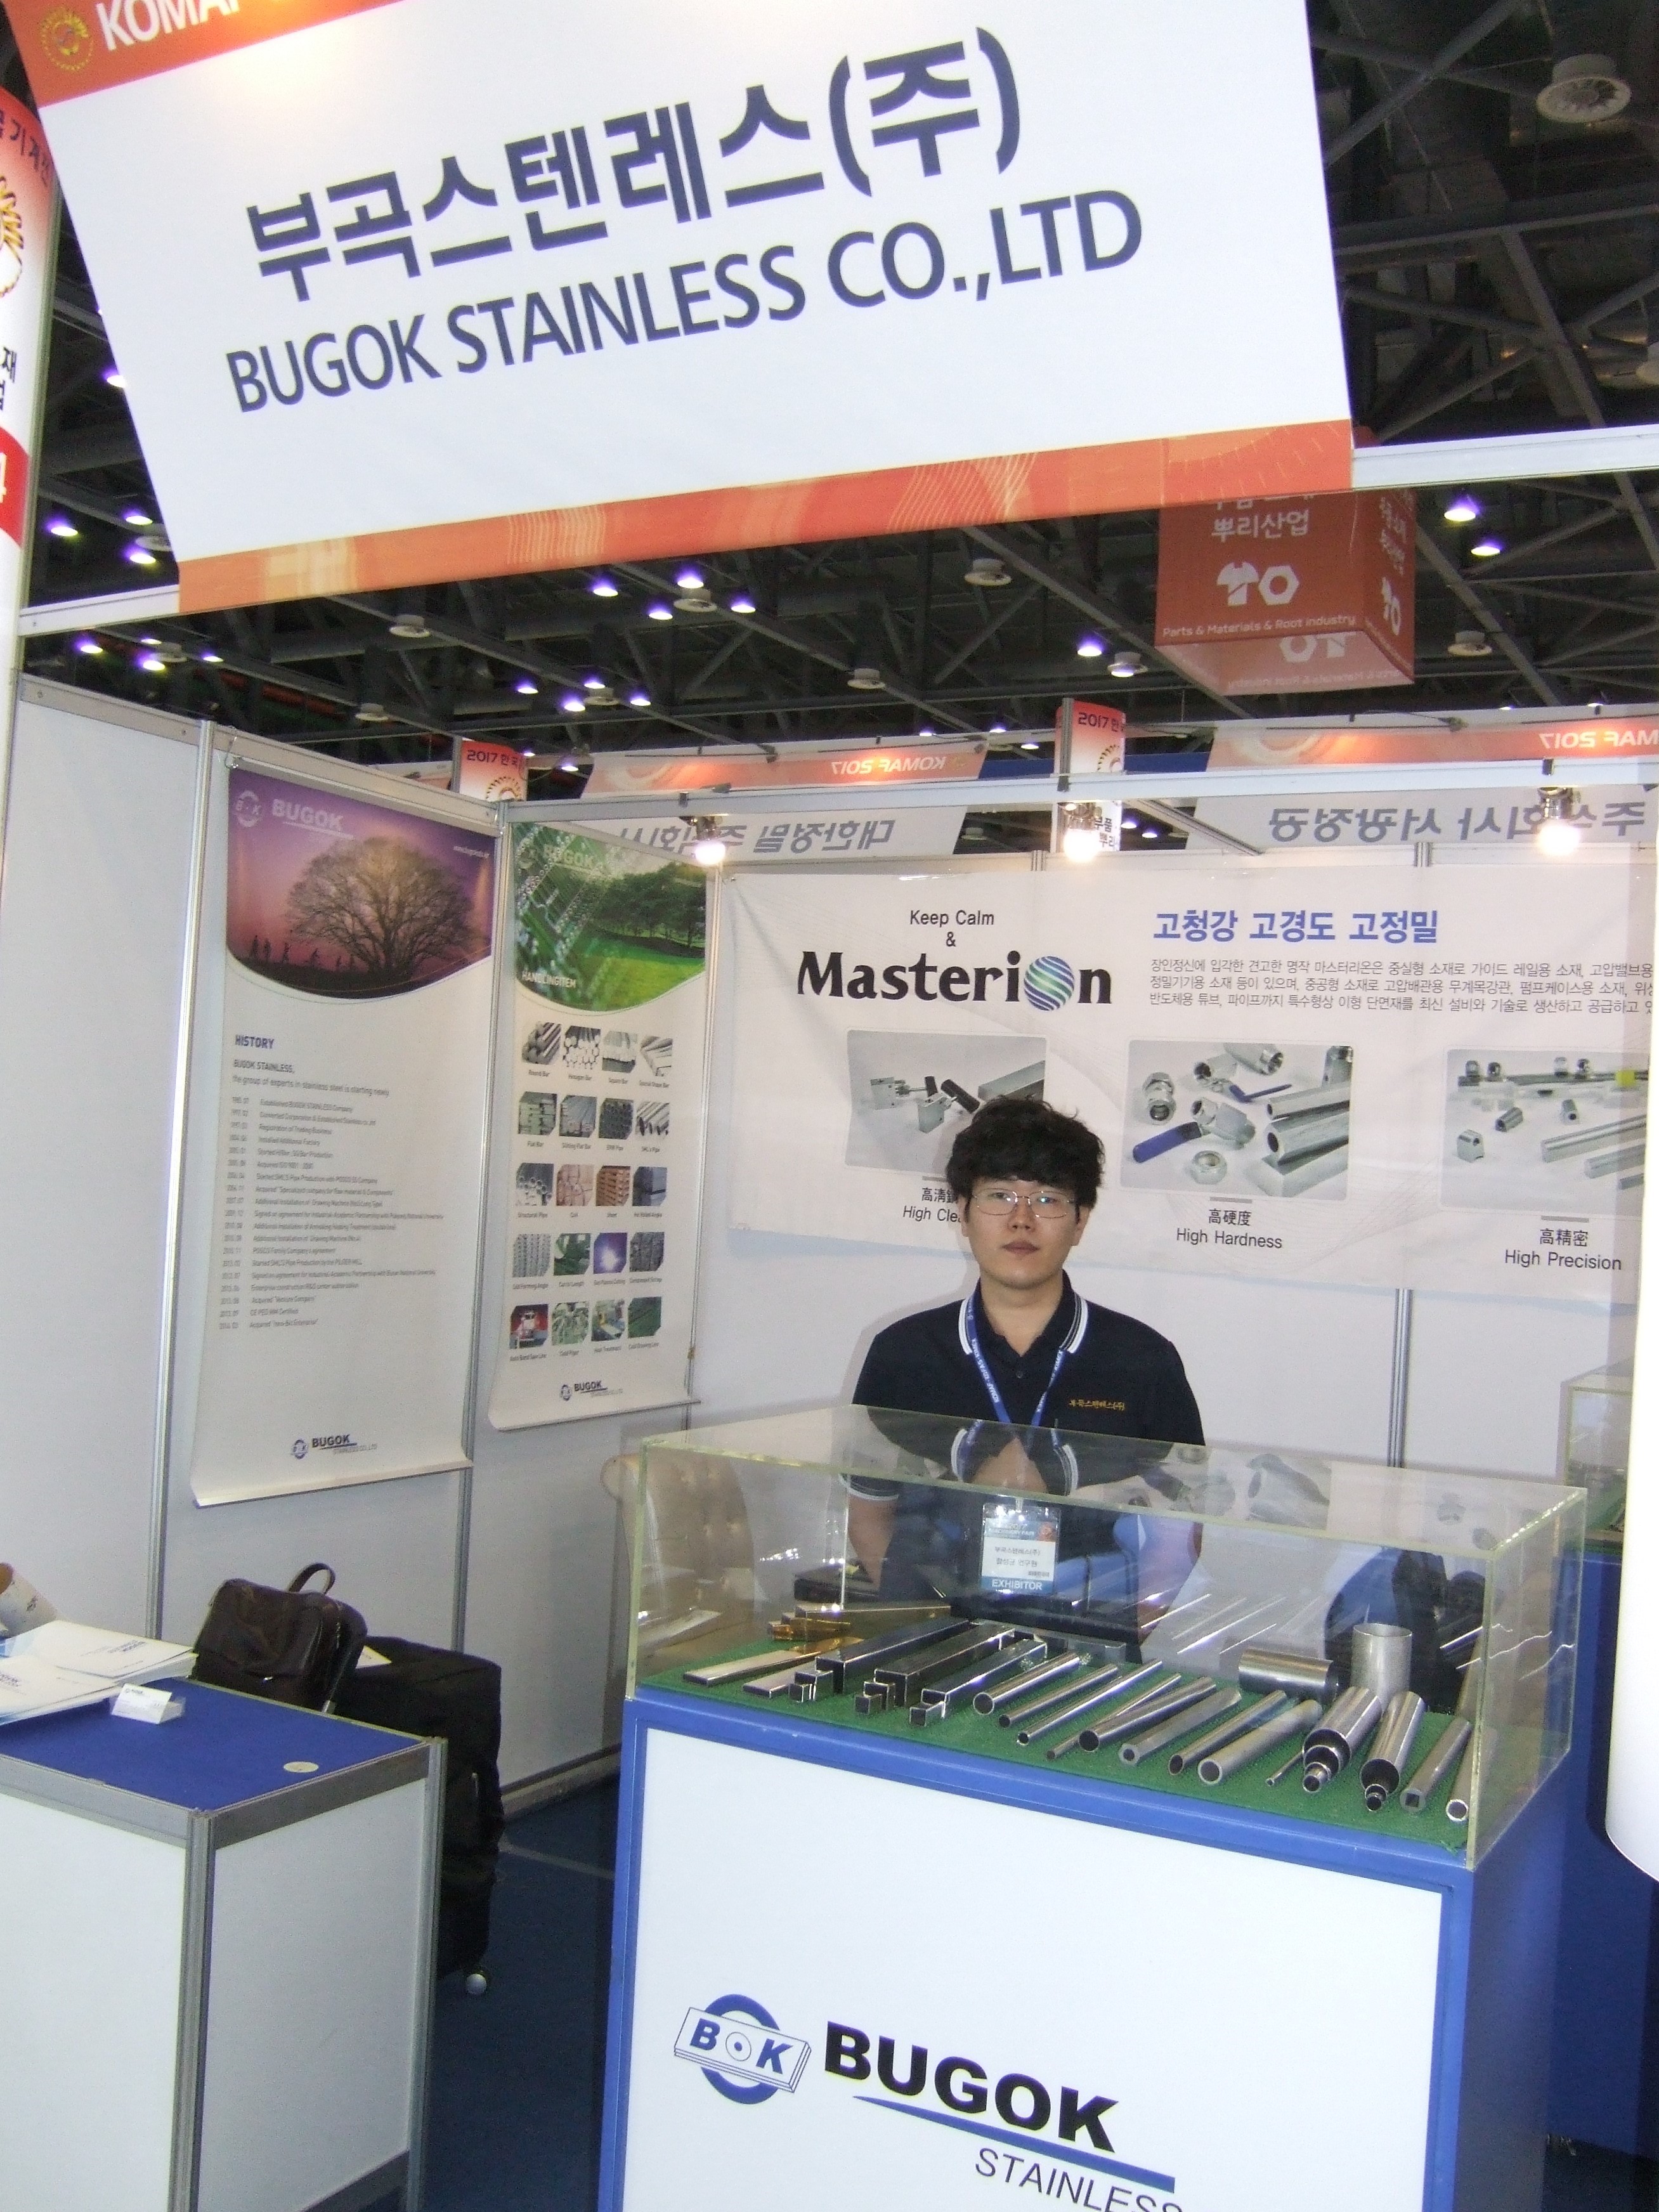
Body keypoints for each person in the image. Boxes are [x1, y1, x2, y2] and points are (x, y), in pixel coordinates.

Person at [848, 1096, 1203, 1622]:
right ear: (963, 1213)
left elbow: (1180, 1537)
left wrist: (1117, 1642)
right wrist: (925, 1625)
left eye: (1047, 1200)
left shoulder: (1144, 1360)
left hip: (1090, 1635)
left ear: (1080, 1221)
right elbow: (869, 1516)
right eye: (999, 1196)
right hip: (934, 1634)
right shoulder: (903, 1353)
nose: (1021, 1221)